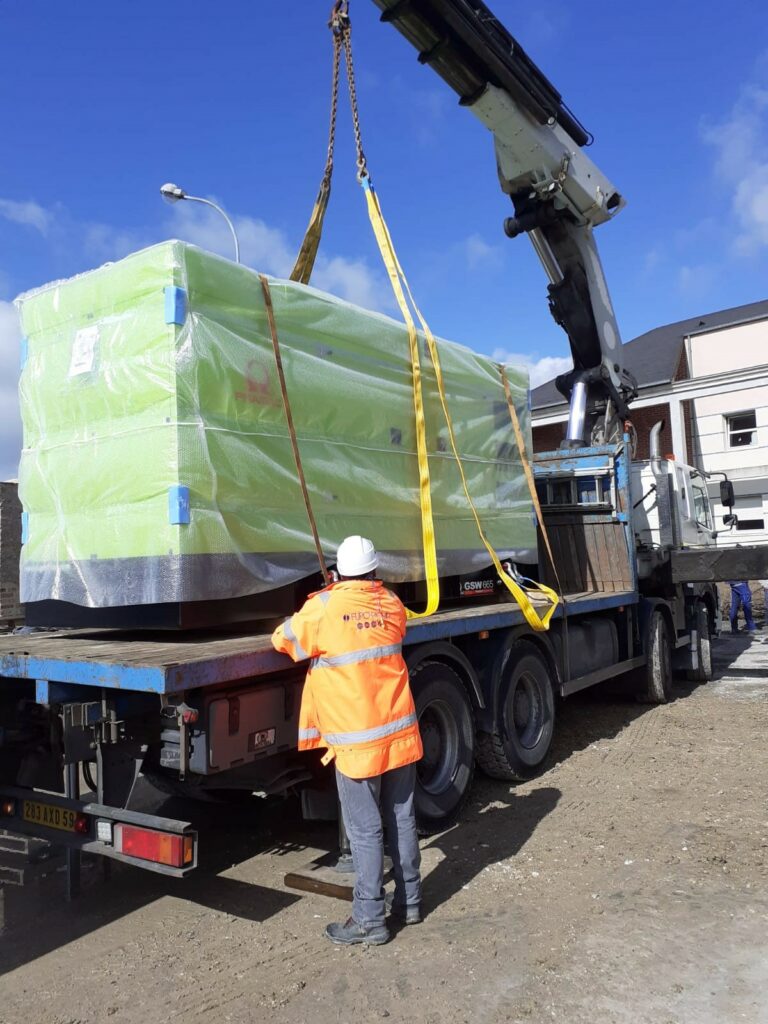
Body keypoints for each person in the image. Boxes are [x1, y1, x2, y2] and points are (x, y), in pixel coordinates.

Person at [271, 535, 423, 945]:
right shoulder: (391, 604)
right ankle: (409, 903)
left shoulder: (322, 608)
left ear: (338, 571)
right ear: (375, 571)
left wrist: (323, 595)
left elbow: (283, 640)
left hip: (358, 743)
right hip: (399, 732)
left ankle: (369, 919)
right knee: (402, 818)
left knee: (365, 830)